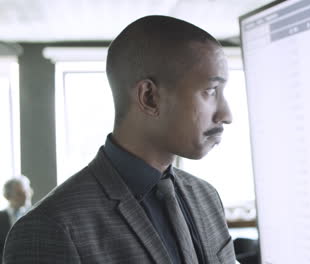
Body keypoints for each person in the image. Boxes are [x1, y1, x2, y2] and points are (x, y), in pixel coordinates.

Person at [4, 16, 236, 263]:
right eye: (210, 92)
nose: (227, 114)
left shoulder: (207, 197)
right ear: (149, 97)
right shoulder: (50, 228)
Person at [0, 176, 33, 261]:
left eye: (26, 192)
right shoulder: (1, 218)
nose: (25, 197)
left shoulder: (34, 216)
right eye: (19, 194)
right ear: (7, 196)